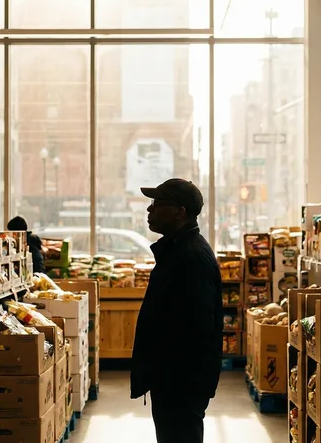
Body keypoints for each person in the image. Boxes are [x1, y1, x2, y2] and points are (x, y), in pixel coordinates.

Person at [130, 178, 223, 443]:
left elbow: (198, 328)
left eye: (157, 204)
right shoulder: (178, 250)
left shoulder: (190, 257)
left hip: (181, 380)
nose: (150, 210)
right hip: (173, 377)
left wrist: (169, 375)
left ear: (180, 212)